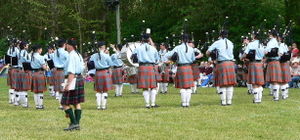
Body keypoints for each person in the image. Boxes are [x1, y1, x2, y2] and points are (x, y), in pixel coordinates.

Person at [206, 30, 236, 106]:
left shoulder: (217, 42)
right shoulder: (231, 43)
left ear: (220, 35)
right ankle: (229, 101)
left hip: (222, 63)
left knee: (222, 83)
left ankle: (223, 101)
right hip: (231, 63)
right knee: (230, 83)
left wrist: (213, 55)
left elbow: (207, 52)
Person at [61, 39, 85, 131]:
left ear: (70, 46)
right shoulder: (78, 55)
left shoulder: (71, 55)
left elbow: (71, 72)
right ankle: (77, 124)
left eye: (67, 45)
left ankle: (74, 123)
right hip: (79, 78)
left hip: (73, 79)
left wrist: (68, 84)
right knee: (76, 103)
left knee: (64, 103)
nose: (66, 46)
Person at [166, 34, 195, 107]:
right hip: (188, 67)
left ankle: (183, 103)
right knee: (188, 86)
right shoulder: (191, 49)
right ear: (188, 40)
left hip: (181, 68)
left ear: (181, 40)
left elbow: (168, 56)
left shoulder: (177, 48)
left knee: (182, 86)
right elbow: (193, 59)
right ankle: (187, 103)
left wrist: (172, 57)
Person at [133, 34, 159, 108]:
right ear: (149, 40)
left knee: (145, 87)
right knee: (153, 86)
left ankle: (147, 104)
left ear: (142, 40)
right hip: (151, 67)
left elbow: (133, 58)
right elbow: (157, 60)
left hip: (142, 67)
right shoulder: (153, 48)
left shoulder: (138, 48)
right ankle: (153, 104)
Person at [90, 41, 113, 110]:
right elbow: (111, 64)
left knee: (98, 90)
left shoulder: (93, 56)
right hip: (105, 73)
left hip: (97, 73)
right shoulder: (106, 55)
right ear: (103, 47)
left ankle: (98, 106)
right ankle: (103, 106)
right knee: (105, 90)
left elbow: (90, 64)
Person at [242, 32, 265, 103]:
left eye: (252, 35)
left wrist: (242, 57)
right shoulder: (261, 45)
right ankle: (259, 99)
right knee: (259, 82)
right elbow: (264, 55)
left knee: (254, 83)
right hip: (259, 63)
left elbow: (245, 54)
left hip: (253, 63)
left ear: (254, 36)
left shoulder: (251, 44)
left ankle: (256, 99)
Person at [264, 30, 282, 101]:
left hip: (272, 61)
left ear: (271, 35)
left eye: (270, 34)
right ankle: (276, 96)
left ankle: (276, 97)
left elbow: (266, 52)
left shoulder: (271, 42)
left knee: (274, 80)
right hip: (276, 61)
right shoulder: (277, 42)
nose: (269, 35)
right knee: (275, 80)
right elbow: (280, 53)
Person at [30, 44, 48, 109]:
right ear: (38, 50)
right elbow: (44, 67)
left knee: (35, 90)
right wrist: (47, 68)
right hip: (40, 73)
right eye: (41, 49)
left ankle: (37, 105)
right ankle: (40, 105)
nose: (41, 50)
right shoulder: (41, 57)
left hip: (33, 74)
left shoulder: (31, 56)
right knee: (40, 90)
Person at [53, 39, 69, 109]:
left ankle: (60, 105)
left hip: (57, 71)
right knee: (63, 89)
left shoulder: (55, 52)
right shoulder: (65, 53)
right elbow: (69, 62)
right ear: (64, 45)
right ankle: (63, 104)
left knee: (59, 89)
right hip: (63, 71)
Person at [15, 41, 31, 107]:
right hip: (24, 70)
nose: (28, 46)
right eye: (27, 45)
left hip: (18, 70)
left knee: (20, 87)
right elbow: (27, 60)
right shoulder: (24, 52)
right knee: (24, 87)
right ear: (24, 46)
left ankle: (19, 102)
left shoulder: (19, 52)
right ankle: (24, 103)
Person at [6, 39, 20, 104]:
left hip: (10, 69)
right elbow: (19, 58)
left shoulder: (9, 50)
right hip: (15, 68)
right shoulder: (17, 50)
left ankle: (11, 99)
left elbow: (7, 60)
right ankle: (15, 100)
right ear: (16, 44)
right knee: (16, 85)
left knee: (11, 85)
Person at [278, 35, 291, 99]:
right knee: (285, 80)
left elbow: (280, 54)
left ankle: (283, 95)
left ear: (280, 39)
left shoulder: (280, 45)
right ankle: (286, 94)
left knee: (283, 80)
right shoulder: (285, 45)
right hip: (286, 63)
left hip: (281, 63)